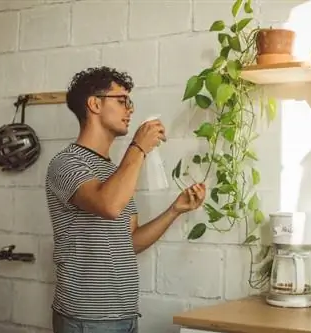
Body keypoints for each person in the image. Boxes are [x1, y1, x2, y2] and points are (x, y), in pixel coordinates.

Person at [44, 66, 206, 333]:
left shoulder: (116, 172)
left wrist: (174, 210)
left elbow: (129, 242)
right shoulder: (65, 163)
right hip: (86, 318)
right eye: (122, 101)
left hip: (124, 314)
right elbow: (108, 205)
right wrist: (139, 146)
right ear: (94, 103)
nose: (130, 109)